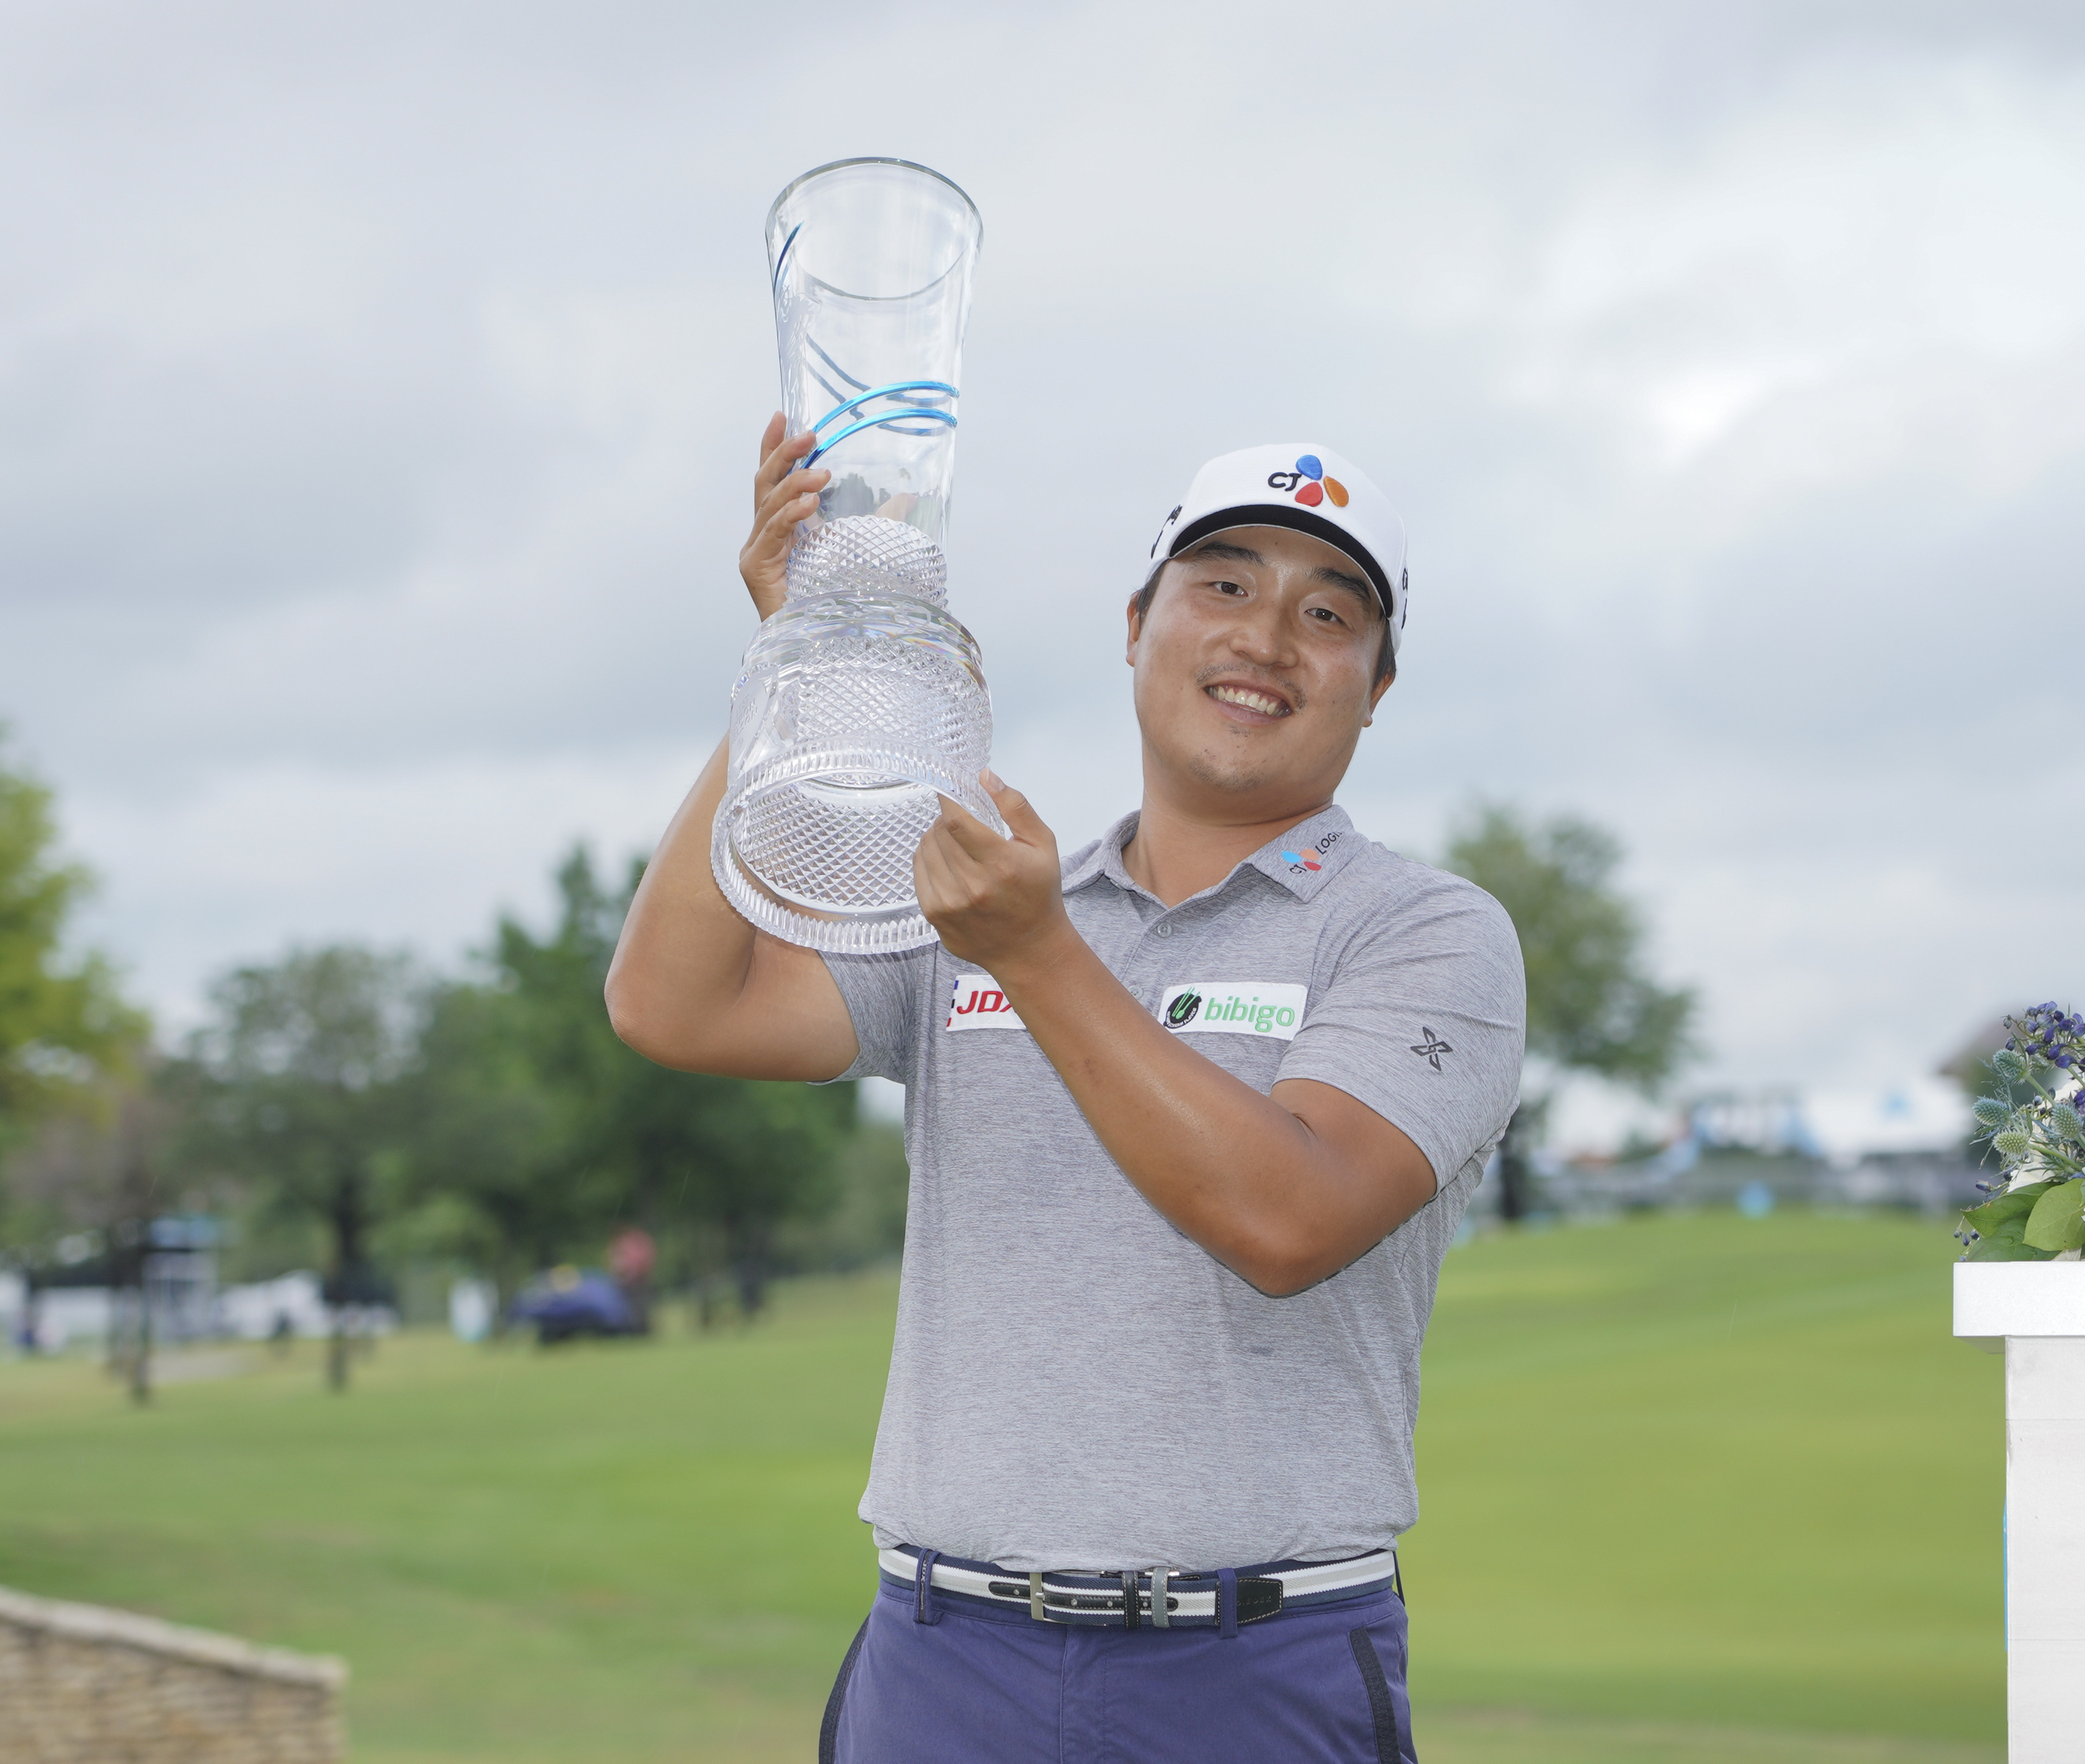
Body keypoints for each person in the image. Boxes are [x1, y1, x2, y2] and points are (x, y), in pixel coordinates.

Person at [606, 417, 1524, 1762]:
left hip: (1250, 1668)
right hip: (944, 1660)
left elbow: (1289, 1218)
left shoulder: (1420, 931)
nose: (1265, 637)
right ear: (1138, 621)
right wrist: (789, 668)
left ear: (1374, 685)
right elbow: (677, 1002)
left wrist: (1035, 953)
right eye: (1221, 585)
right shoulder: (983, 896)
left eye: (1327, 613)